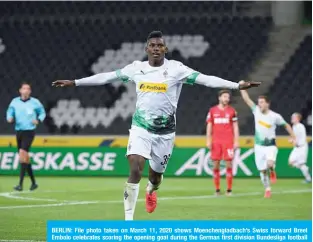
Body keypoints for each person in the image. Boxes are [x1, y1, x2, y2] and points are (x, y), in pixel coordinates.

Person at [52, 31, 260, 220]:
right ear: (147, 49)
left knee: (155, 176)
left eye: (160, 45)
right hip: (141, 128)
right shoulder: (136, 69)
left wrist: (236, 86)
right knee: (135, 167)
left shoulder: (177, 69)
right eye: (152, 45)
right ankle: (128, 222)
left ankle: (151, 190)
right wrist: (75, 82)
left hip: (165, 133)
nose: (156, 48)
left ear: (165, 49)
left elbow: (205, 80)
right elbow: (107, 77)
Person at [240, 84, 295, 198]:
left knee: (269, 163)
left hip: (270, 146)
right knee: (262, 171)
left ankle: (272, 169)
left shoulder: (275, 116)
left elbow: (286, 125)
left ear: (267, 103)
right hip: (259, 146)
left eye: (261, 102)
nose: (259, 104)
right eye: (259, 102)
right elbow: (246, 99)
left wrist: (293, 136)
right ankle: (267, 189)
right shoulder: (256, 111)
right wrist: (242, 87)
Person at [6, 82, 46, 191]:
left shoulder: (35, 102)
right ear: (20, 90)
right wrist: (9, 118)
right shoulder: (15, 102)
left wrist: (38, 120)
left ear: (30, 91)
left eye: (28, 89)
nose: (26, 90)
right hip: (19, 131)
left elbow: (42, 112)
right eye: (24, 88)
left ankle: (20, 184)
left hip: (29, 131)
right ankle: (33, 183)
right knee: (25, 158)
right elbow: (10, 112)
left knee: (22, 154)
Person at [206, 90, 239, 196]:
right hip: (216, 141)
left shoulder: (232, 111)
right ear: (219, 98)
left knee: (229, 164)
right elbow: (209, 125)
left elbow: (235, 126)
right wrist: (208, 140)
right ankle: (217, 189)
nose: (226, 99)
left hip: (228, 141)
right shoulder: (212, 110)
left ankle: (229, 190)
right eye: (225, 97)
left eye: (228, 97)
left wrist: (237, 141)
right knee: (216, 165)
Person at [288, 113, 311, 183]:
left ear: (298, 119)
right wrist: (292, 140)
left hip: (302, 147)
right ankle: (305, 168)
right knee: (290, 162)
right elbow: (294, 137)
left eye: (293, 117)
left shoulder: (300, 126)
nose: (292, 118)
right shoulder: (294, 127)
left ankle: (308, 179)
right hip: (296, 148)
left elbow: (297, 138)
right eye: (292, 117)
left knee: (301, 164)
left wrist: (292, 140)